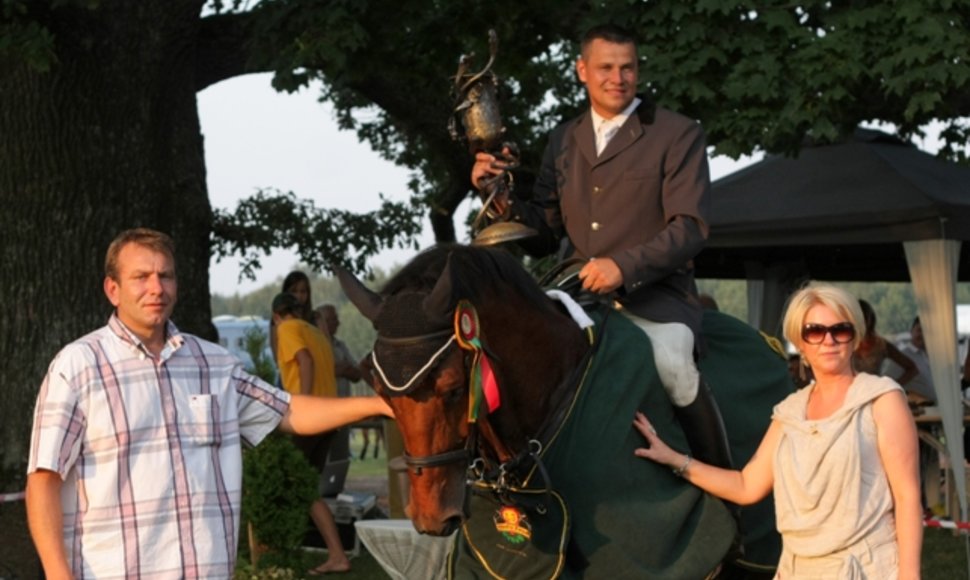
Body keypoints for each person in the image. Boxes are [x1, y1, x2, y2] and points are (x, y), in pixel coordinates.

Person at [25, 228, 392, 579]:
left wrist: (379, 404)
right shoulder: (77, 367)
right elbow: (43, 480)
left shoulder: (213, 364)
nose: (156, 288)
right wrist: (58, 573)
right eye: (141, 277)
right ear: (113, 289)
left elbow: (289, 411)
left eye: (165, 276)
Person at [470, 23, 731, 469]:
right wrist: (496, 197)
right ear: (582, 70)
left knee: (674, 367)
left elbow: (690, 227)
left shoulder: (678, 134)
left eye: (627, 67)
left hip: (658, 300)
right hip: (573, 296)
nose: (618, 77)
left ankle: (727, 494)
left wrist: (623, 267)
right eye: (606, 67)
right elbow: (545, 231)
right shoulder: (563, 139)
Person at [633, 283, 922, 579]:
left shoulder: (881, 399)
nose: (829, 340)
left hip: (866, 568)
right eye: (815, 331)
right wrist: (675, 459)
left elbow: (907, 496)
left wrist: (910, 575)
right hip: (798, 569)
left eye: (841, 329)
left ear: (854, 335)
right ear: (801, 342)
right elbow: (746, 486)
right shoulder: (789, 411)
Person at [273, 293, 350, 575]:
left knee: (287, 483)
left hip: (308, 418)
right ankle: (329, 552)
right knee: (304, 489)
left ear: (276, 316)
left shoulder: (286, 328)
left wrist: (302, 405)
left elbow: (304, 361)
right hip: (329, 418)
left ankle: (284, 551)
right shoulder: (316, 332)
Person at [315, 304, 382, 460]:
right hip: (323, 411)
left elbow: (357, 372)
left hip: (343, 412)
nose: (337, 323)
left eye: (336, 319)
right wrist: (340, 370)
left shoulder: (340, 345)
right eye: (332, 320)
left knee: (340, 456)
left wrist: (339, 369)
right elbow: (320, 372)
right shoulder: (315, 345)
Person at [854, 299, 919, 388]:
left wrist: (890, 387)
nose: (861, 322)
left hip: (872, 394)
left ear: (870, 318)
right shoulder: (844, 343)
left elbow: (912, 369)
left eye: (864, 318)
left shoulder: (881, 344)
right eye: (857, 318)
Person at [270, 270, 317, 362]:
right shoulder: (277, 320)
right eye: (294, 291)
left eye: (303, 292)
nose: (298, 296)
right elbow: (276, 353)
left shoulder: (316, 317)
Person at [902, 317, 937, 404]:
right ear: (911, 331)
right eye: (919, 330)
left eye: (927, 332)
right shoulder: (903, 356)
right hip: (918, 411)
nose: (923, 335)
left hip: (936, 409)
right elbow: (890, 383)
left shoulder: (934, 356)